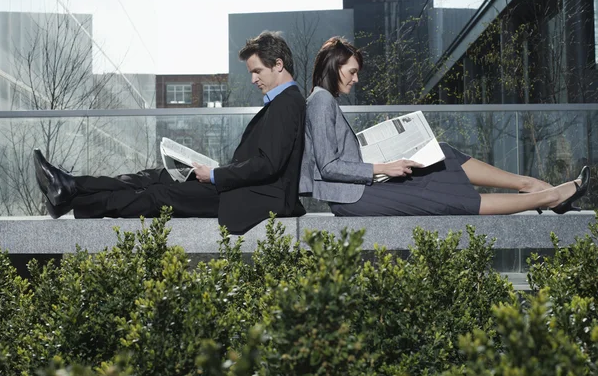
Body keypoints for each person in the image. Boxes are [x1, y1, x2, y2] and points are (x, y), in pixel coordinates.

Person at [34, 31, 306, 234]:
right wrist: (213, 171)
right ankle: (70, 187)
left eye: (257, 71)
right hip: (239, 189)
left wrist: (214, 174)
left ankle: (72, 199)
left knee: (158, 195)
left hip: (250, 198)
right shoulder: (282, 102)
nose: (253, 79)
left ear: (278, 65)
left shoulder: (287, 102)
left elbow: (268, 164)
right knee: (154, 177)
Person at [299, 36, 590, 216]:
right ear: (334, 67)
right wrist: (382, 168)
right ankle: (549, 196)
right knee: (447, 197)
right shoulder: (321, 101)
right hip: (354, 198)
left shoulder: (323, 100)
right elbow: (328, 167)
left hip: (359, 191)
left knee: (443, 153)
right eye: (352, 72)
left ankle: (531, 185)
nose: (355, 79)